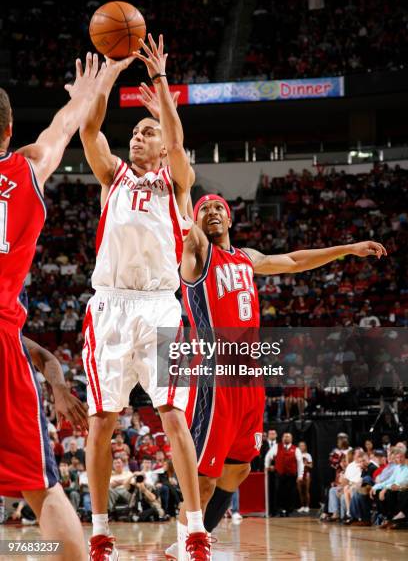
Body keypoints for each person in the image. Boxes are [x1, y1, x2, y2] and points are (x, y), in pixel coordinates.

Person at [165, 189, 386, 557]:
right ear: (195, 221)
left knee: (236, 471)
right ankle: (187, 541)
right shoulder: (197, 254)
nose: (213, 211)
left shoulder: (247, 258)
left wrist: (347, 248)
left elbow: (296, 261)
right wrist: (179, 175)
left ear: (232, 218)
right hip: (215, 376)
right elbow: (183, 199)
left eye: (220, 206)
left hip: (250, 377)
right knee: (203, 479)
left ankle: (195, 539)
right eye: (205, 209)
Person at [76, 34, 210, 561]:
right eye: (135, 130)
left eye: (147, 131)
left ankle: (195, 530)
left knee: (173, 415)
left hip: (159, 307)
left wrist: (160, 86)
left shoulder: (177, 184)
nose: (139, 136)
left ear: (162, 145)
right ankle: (101, 532)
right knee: (101, 421)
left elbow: (178, 144)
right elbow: (90, 129)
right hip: (109, 306)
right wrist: (108, 73)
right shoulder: (112, 175)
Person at [0, 54, 103, 561]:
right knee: (41, 488)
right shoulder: (29, 168)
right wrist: (87, 91)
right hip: (3, 342)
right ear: (10, 129)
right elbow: (64, 128)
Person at [297, 441, 313, 513]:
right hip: (299, 474)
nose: (302, 447)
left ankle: (307, 506)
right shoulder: (297, 454)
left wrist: (305, 464)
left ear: (305, 447)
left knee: (306, 490)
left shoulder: (308, 455)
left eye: (303, 445)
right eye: (300, 446)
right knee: (300, 491)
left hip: (306, 474)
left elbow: (311, 466)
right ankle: (302, 506)